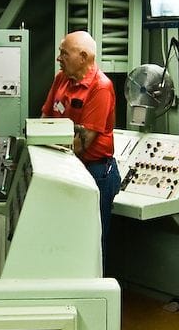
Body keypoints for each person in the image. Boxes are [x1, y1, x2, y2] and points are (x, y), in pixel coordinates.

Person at [41, 30, 121, 265]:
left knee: (91, 240)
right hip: (62, 167)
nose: (59, 58)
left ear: (83, 56)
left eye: (64, 53)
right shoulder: (61, 79)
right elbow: (46, 117)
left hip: (94, 172)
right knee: (64, 236)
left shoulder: (101, 87)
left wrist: (45, 154)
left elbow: (83, 143)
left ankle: (96, 295)